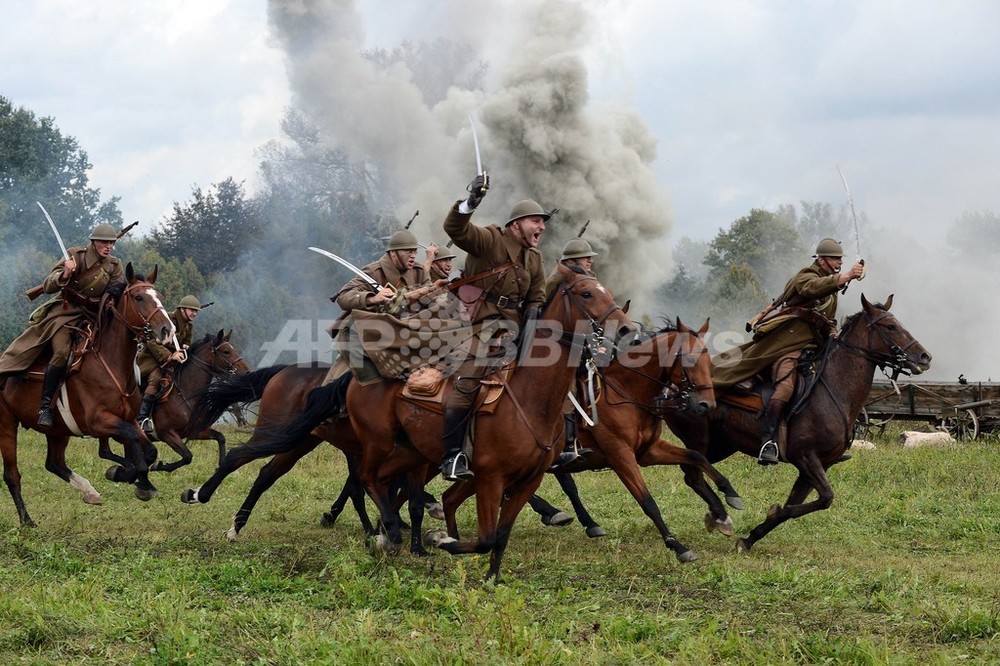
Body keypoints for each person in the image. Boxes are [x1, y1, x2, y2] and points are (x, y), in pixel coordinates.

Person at [712, 238, 865, 465]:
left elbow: (827, 319)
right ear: (821, 260)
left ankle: (825, 442)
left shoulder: (831, 288)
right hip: (788, 344)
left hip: (815, 347)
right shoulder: (806, 276)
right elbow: (812, 288)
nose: (839, 262)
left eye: (841, 259)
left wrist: (833, 333)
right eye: (834, 258)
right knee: (785, 387)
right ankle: (768, 442)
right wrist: (846, 277)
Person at [438, 174, 548, 481]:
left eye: (543, 223)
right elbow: (455, 229)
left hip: (517, 329)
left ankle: (558, 444)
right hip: (480, 324)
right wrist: (470, 202)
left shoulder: (535, 258)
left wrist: (532, 331)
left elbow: (537, 297)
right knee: (469, 381)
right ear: (517, 224)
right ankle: (452, 458)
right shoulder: (490, 240)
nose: (541, 227)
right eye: (535, 221)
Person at [0, 223, 126, 427]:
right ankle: (45, 406)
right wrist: (65, 274)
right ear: (93, 243)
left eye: (111, 243)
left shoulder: (114, 265)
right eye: (104, 242)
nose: (108, 246)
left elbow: (116, 288)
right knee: (61, 352)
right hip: (66, 314)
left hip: (94, 318)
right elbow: (49, 284)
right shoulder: (76, 255)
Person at [324, 230, 445, 384]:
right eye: (408, 251)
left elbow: (429, 295)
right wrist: (373, 298)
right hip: (367, 337)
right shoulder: (373, 271)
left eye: (414, 251)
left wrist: (438, 295)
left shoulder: (418, 272)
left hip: (402, 334)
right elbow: (343, 297)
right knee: (344, 381)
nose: (413, 255)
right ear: (393, 253)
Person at [546, 238, 600, 467]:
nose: (590, 260)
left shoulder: (589, 282)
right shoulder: (555, 281)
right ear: (570, 261)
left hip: (580, 343)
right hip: (554, 344)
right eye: (585, 257)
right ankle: (568, 444)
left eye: (590, 257)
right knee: (566, 389)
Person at [136, 295, 202, 435]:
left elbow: (187, 342)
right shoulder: (167, 320)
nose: (194, 314)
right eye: (192, 310)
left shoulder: (188, 326)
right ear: (182, 309)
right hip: (152, 359)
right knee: (156, 379)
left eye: (196, 311)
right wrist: (170, 356)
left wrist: (186, 347)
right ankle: (142, 418)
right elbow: (152, 342)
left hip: (174, 362)